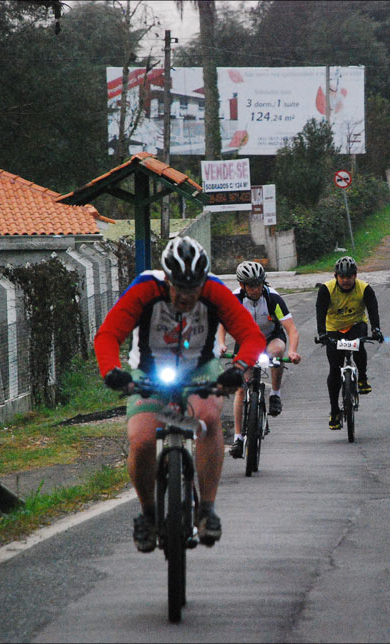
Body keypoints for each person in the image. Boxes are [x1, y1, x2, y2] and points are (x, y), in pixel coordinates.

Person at [95, 236, 266, 552]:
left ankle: (207, 510)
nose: (187, 297)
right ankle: (148, 514)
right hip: (149, 371)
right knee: (142, 439)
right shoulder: (145, 289)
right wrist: (111, 371)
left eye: (194, 289)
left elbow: (252, 337)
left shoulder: (215, 291)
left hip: (200, 368)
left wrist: (238, 369)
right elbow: (108, 335)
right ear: (166, 280)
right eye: (179, 289)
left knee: (208, 417)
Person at [216, 261, 302, 460]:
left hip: (271, 337)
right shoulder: (235, 298)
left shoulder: (273, 299)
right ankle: (238, 438)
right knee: (240, 388)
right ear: (242, 285)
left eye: (258, 285)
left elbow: (291, 329)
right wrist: (221, 344)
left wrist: (293, 351)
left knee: (278, 351)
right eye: (251, 285)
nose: (255, 289)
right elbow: (223, 325)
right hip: (246, 341)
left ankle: (275, 394)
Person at [315, 256, 383, 430]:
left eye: (349, 277)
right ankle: (334, 410)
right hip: (334, 329)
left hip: (356, 325)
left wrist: (376, 330)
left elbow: (373, 310)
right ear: (336, 276)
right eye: (342, 277)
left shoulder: (365, 289)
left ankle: (362, 377)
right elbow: (320, 312)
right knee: (334, 369)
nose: (345, 280)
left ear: (355, 275)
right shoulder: (326, 290)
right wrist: (322, 333)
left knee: (359, 344)